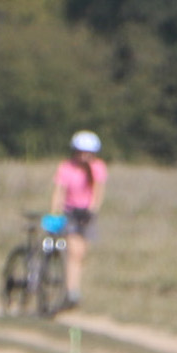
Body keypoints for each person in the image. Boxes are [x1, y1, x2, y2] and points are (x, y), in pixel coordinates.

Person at [49, 130, 108, 309]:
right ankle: (72, 291)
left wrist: (92, 210)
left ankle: (72, 287)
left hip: (87, 213)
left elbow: (98, 192)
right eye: (81, 152)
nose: (84, 156)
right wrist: (54, 212)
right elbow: (59, 192)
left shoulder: (98, 167)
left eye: (88, 153)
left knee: (81, 254)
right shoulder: (66, 167)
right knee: (74, 251)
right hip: (70, 212)